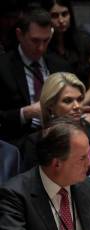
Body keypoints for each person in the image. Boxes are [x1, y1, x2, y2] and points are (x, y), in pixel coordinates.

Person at [0, 119, 90, 230]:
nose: (89, 162)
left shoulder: (87, 186)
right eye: (82, 158)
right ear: (57, 164)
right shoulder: (15, 193)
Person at [0, 8, 71, 149]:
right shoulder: (3, 67)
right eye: (35, 41)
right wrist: (26, 113)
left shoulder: (60, 64)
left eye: (46, 41)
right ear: (20, 35)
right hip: (19, 140)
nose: (41, 48)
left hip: (60, 134)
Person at [22, 72, 90, 173]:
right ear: (51, 106)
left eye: (80, 99)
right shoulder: (36, 142)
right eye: (68, 101)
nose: (77, 106)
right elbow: (33, 184)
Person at [41, 0, 90, 110]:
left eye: (64, 14)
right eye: (54, 16)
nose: (61, 20)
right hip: (56, 108)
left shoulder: (84, 39)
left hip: (83, 103)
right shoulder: (42, 46)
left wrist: (79, 105)